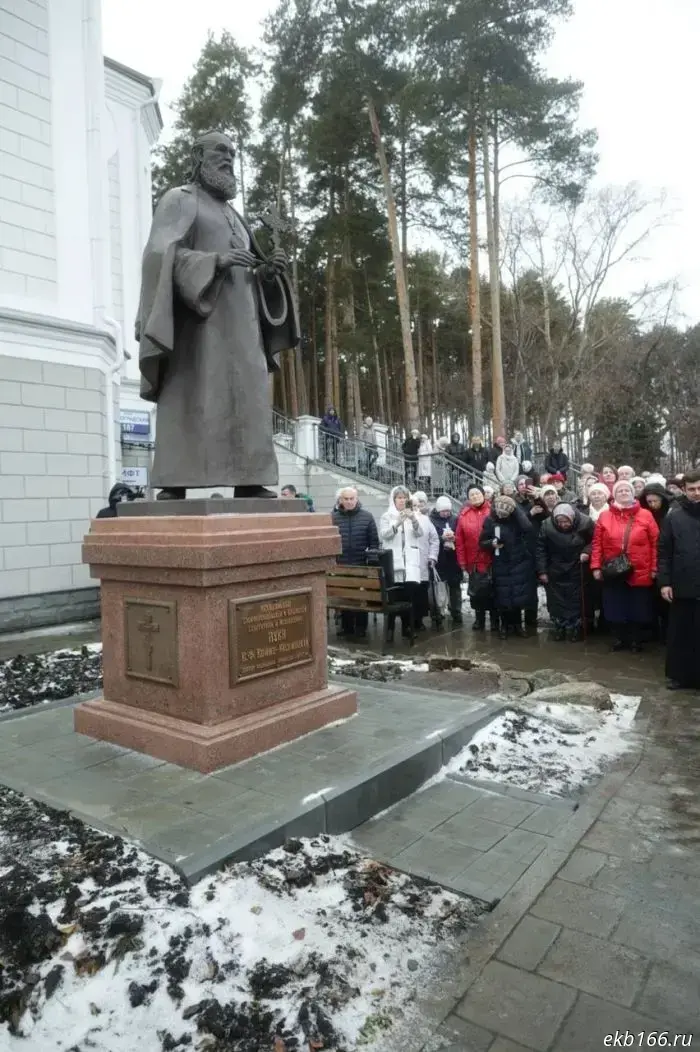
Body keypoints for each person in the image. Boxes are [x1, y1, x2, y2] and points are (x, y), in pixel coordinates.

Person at [135, 130, 297, 501]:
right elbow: (158, 258)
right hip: (199, 328)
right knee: (193, 395)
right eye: (220, 151)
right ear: (197, 156)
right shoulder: (180, 200)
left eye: (232, 153)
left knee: (249, 398)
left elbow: (250, 271)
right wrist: (215, 262)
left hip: (243, 328)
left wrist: (267, 275)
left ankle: (250, 479)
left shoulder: (235, 217)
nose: (228, 158)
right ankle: (176, 482)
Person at [591, 479, 659, 652]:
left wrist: (654, 568)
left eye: (626, 490)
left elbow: (656, 543)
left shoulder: (646, 515)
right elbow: (597, 543)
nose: (623, 493)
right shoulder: (605, 516)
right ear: (614, 495)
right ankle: (620, 638)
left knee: (638, 606)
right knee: (615, 605)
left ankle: (636, 640)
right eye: (619, 490)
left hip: (640, 568)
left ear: (633, 494)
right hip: (613, 570)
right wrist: (596, 566)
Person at [657, 469, 700, 689]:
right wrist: (664, 582)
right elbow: (664, 552)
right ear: (683, 490)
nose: (696, 493)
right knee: (681, 633)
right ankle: (679, 676)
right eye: (692, 489)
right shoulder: (674, 516)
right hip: (682, 584)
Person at [479, 494, 536, 639]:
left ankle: (517, 625)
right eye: (498, 511)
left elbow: (528, 528)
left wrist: (515, 509)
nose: (501, 514)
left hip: (519, 561)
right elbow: (482, 542)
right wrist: (491, 543)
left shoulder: (516, 519)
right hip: (500, 562)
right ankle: (504, 626)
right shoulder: (490, 521)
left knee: (517, 595)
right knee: (503, 596)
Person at [536, 502, 593, 641]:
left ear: (572, 518)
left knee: (576, 600)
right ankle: (559, 626)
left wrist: (587, 551)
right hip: (555, 567)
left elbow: (595, 541)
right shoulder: (546, 525)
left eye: (566, 521)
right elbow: (540, 549)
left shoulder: (586, 522)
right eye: (559, 522)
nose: (563, 525)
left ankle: (575, 628)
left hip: (577, 565)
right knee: (556, 600)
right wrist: (542, 571)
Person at [331, 487, 379, 638]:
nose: (349, 502)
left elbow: (374, 543)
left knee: (360, 598)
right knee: (344, 597)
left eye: (352, 498)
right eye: (346, 499)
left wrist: (371, 563)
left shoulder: (367, 517)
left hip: (361, 564)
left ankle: (361, 627)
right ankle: (346, 627)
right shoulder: (333, 517)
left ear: (357, 499)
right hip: (341, 564)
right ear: (341, 500)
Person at [379, 485, 423, 638]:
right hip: (394, 562)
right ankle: (390, 629)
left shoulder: (413, 514)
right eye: (399, 498)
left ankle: (407, 628)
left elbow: (419, 534)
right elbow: (384, 535)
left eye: (404, 497)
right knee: (393, 597)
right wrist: (397, 522)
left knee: (408, 595)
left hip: (409, 562)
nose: (402, 500)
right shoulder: (387, 516)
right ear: (394, 499)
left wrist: (413, 519)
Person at [456, 484, 495, 631]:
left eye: (477, 494)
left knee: (492, 591)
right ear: (468, 498)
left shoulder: (493, 511)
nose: (475, 497)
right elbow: (459, 541)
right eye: (471, 495)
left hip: (492, 560)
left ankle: (494, 620)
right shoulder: (464, 515)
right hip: (473, 560)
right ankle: (479, 619)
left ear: (484, 495)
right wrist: (462, 561)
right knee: (477, 592)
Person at [641, 482, 671, 642]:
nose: (653, 505)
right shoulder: (645, 513)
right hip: (650, 558)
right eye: (649, 501)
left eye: (655, 501)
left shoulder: (671, 513)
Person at [430, 496, 463, 625]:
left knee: (455, 586)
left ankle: (456, 611)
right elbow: (430, 538)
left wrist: (454, 537)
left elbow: (460, 534)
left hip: (453, 558)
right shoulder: (431, 520)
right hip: (439, 558)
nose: (446, 513)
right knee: (438, 587)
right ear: (438, 510)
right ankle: (437, 612)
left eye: (448, 511)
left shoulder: (455, 519)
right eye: (443, 511)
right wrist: (441, 538)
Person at [411, 492, 440, 629]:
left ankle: (419, 619)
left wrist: (432, 557)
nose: (416, 508)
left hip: (423, 561)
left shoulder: (426, 520)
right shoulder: (402, 518)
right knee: (411, 591)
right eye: (413, 505)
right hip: (409, 564)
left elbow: (434, 539)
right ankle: (410, 619)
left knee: (422, 591)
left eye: (417, 505)